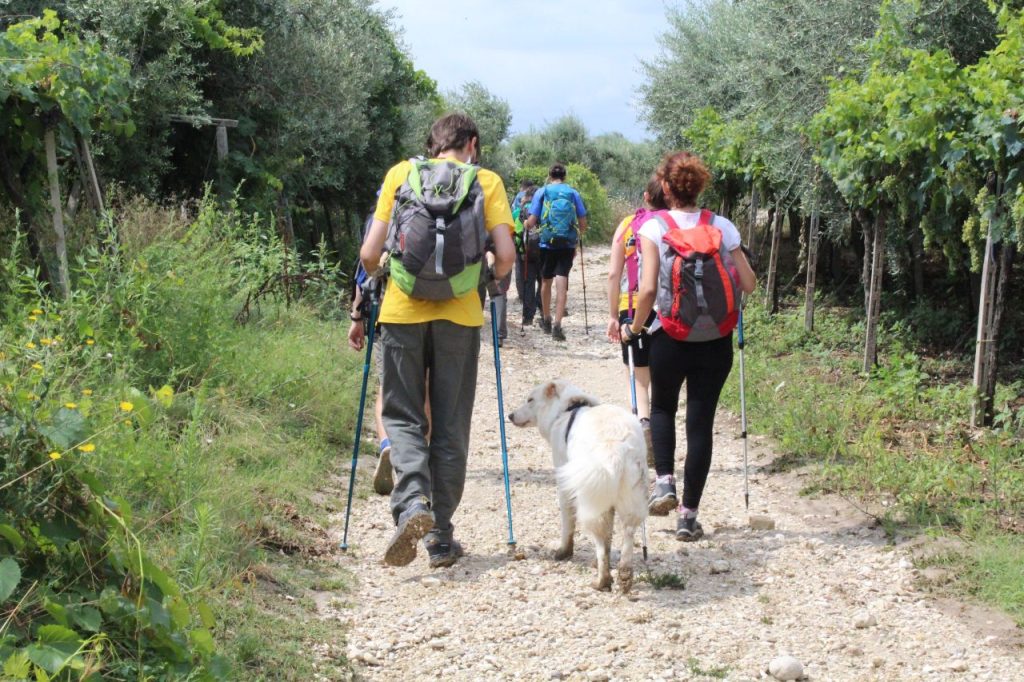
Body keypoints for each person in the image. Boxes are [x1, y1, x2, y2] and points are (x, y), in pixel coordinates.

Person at [360, 112, 515, 568]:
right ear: (472, 143)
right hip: (460, 316)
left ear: (433, 145)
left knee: (404, 416)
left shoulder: (400, 174)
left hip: (401, 312)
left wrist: (387, 275)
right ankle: (441, 538)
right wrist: (485, 276)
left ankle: (412, 506)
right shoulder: (486, 181)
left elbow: (369, 254)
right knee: (450, 425)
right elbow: (505, 257)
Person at [620, 151, 756, 542]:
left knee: (662, 406)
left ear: (665, 188)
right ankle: (688, 516)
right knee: (701, 423)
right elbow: (748, 284)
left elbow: (647, 289)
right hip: (716, 340)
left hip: (669, 336)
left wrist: (635, 328)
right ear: (699, 187)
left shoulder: (653, 227)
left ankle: (664, 481)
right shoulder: (722, 226)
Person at [605, 176, 667, 461]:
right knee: (663, 373)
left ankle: (644, 424)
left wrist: (612, 316)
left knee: (640, 377)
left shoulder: (628, 225)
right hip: (667, 308)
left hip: (632, 306)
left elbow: (613, 274)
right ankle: (661, 427)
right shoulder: (673, 223)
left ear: (645, 196)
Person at [525, 163, 588, 341]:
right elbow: (582, 223)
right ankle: (558, 325)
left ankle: (546, 319)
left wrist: (526, 225)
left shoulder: (542, 192)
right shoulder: (573, 193)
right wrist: (576, 235)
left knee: (546, 281)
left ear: (549, 175)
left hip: (546, 244)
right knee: (562, 281)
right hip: (567, 244)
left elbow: (532, 220)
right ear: (565, 176)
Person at [513, 186, 541, 326]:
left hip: (526, 252)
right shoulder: (544, 208)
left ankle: (528, 316)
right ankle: (542, 310)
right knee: (543, 282)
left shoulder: (520, 210)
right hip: (544, 251)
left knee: (528, 283)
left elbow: (516, 232)